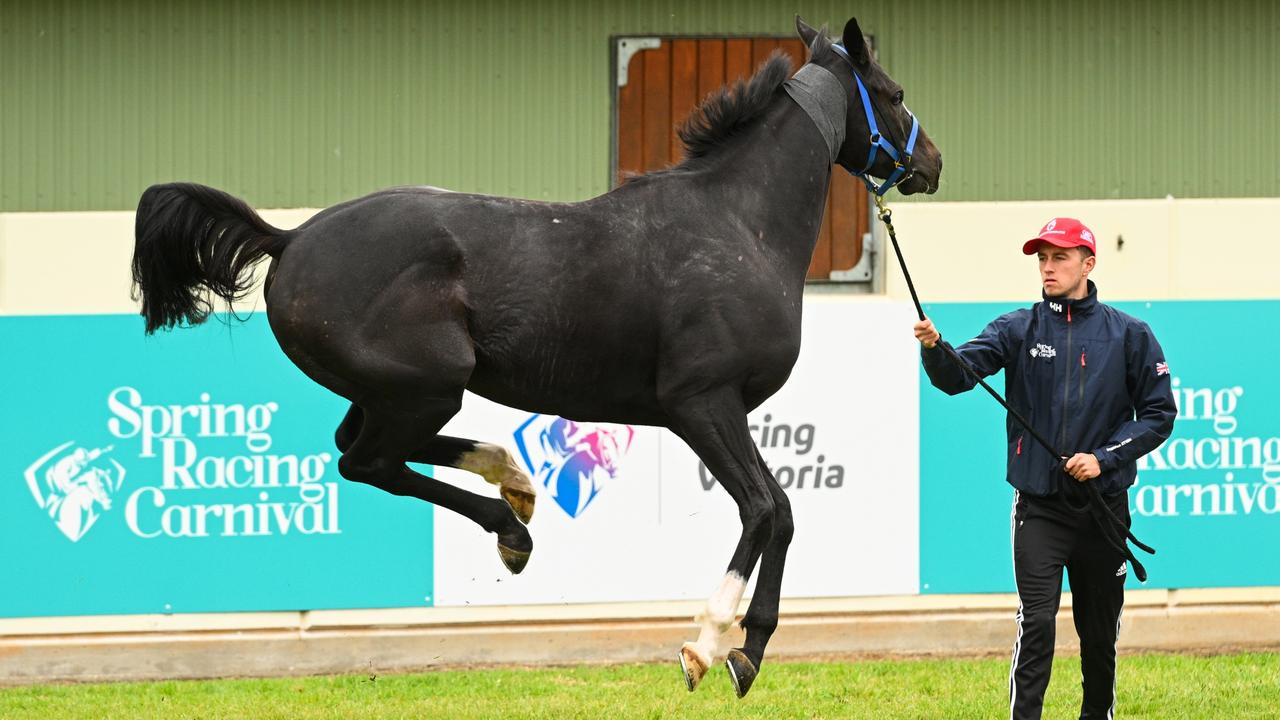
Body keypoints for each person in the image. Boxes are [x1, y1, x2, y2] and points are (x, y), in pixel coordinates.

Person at [913, 217, 1177, 719]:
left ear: (1088, 263)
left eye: (1059, 257)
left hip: (1104, 513)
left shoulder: (1131, 334)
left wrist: (1103, 458)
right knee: (1036, 625)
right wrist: (935, 350)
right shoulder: (1018, 327)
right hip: (1039, 511)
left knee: (1098, 637)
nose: (1048, 267)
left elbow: (1159, 416)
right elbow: (957, 377)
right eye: (1042, 258)